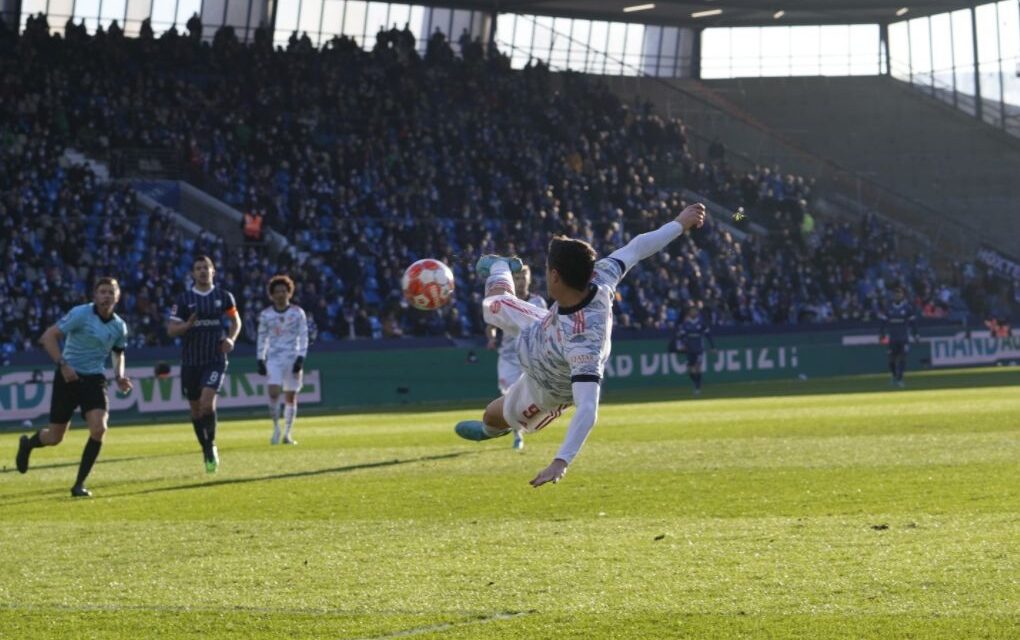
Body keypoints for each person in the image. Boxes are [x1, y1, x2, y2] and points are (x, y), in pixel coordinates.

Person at [455, 203, 707, 487]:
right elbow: (637, 247)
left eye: (547, 268)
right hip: (543, 326)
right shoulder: (601, 274)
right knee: (493, 306)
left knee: (492, 416)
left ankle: (490, 432)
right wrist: (679, 223)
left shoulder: (584, 344)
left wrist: (561, 461)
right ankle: (501, 264)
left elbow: (587, 407)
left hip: (546, 387)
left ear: (555, 277)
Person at [15, 278, 132, 497]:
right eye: (102, 292)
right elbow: (48, 337)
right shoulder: (81, 314)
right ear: (95, 296)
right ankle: (28, 444)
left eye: (111, 292)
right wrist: (63, 364)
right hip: (68, 377)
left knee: (99, 428)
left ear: (117, 297)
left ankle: (79, 484)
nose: (106, 296)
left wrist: (119, 375)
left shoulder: (119, 326)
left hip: (94, 379)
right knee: (55, 437)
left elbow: (118, 352)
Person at [167, 256, 241, 472]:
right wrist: (187, 325)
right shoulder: (184, 299)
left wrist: (231, 339)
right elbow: (171, 330)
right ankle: (206, 447)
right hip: (191, 361)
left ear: (213, 271)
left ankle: (211, 446)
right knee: (196, 411)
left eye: (205, 268)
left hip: (215, 359)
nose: (202, 271)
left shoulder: (224, 297)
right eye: (198, 268)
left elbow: (236, 320)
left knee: (207, 403)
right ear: (193, 273)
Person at [484, 264, 548, 451]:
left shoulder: (538, 302)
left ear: (529, 279)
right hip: (509, 358)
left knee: (532, 397)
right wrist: (492, 337)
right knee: (509, 395)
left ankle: (520, 424)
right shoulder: (506, 301)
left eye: (523, 277)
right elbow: (492, 324)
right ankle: (517, 434)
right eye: (517, 278)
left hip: (532, 357)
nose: (520, 281)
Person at [256, 275, 309, 445]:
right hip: (274, 358)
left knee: (291, 397)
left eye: (284, 291)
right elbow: (262, 337)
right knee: (273, 392)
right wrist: (260, 358)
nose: (280, 294)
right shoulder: (266, 315)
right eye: (277, 291)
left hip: (293, 357)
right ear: (271, 295)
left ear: (289, 293)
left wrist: (301, 357)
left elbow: (304, 336)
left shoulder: (297, 313)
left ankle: (288, 433)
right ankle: (276, 428)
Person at [671, 305, 716, 396]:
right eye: (692, 311)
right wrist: (681, 345)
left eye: (695, 311)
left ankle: (697, 388)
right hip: (689, 348)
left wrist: (713, 346)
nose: (693, 313)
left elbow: (708, 335)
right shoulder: (685, 324)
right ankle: (696, 382)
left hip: (699, 348)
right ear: (689, 313)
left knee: (698, 367)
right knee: (691, 370)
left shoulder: (701, 323)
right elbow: (680, 336)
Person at [879, 285, 919, 388]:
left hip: (903, 338)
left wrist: (916, 334)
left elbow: (913, 322)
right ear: (893, 296)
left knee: (902, 358)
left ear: (903, 296)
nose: (897, 296)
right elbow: (883, 322)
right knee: (891, 359)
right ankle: (893, 376)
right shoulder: (888, 308)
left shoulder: (907, 308)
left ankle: (900, 379)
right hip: (893, 338)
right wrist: (882, 334)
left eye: (899, 294)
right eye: (896, 294)